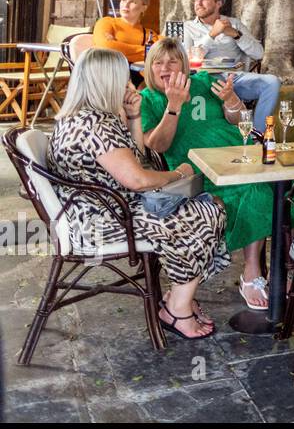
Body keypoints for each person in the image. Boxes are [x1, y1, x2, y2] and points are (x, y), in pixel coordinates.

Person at [49, 48, 229, 339]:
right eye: (123, 79)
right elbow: (137, 179)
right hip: (100, 221)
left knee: (204, 205)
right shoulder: (94, 126)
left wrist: (133, 118)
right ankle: (177, 309)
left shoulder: (88, 117)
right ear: (105, 81)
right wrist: (180, 174)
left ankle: (179, 295)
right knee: (208, 211)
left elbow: (136, 159)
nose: (129, 85)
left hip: (102, 207)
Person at [139, 38, 294, 310]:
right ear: (150, 68)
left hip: (242, 153)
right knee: (253, 192)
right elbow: (157, 145)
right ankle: (252, 272)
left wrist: (232, 100)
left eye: (172, 60)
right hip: (201, 168)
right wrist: (173, 106)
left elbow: (238, 120)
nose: (166, 67)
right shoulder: (148, 98)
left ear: (184, 65)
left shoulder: (204, 82)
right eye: (158, 62)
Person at [181, 0, 280, 134]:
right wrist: (212, 34)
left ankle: (256, 134)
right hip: (203, 79)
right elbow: (187, 59)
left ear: (218, 3)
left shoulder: (234, 24)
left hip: (233, 79)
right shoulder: (187, 27)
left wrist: (235, 34)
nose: (198, 3)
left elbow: (259, 54)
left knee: (272, 82)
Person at [92, 0, 157, 64]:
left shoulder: (149, 34)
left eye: (133, 2)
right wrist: (145, 50)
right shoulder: (106, 22)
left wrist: (118, 46)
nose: (126, 5)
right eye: (123, 0)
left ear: (144, 8)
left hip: (138, 75)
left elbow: (159, 54)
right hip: (109, 72)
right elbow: (105, 46)